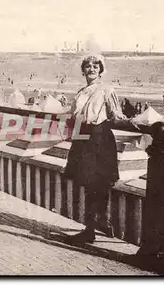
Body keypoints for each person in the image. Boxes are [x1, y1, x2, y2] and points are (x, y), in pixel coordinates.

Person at [64, 54, 135, 246]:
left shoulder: (106, 90)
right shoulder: (81, 92)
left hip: (100, 138)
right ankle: (96, 224)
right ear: (83, 70)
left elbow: (115, 116)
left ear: (101, 70)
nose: (92, 69)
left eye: (96, 66)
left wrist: (135, 122)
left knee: (99, 183)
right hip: (83, 138)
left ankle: (94, 227)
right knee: (88, 184)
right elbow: (74, 117)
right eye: (88, 66)